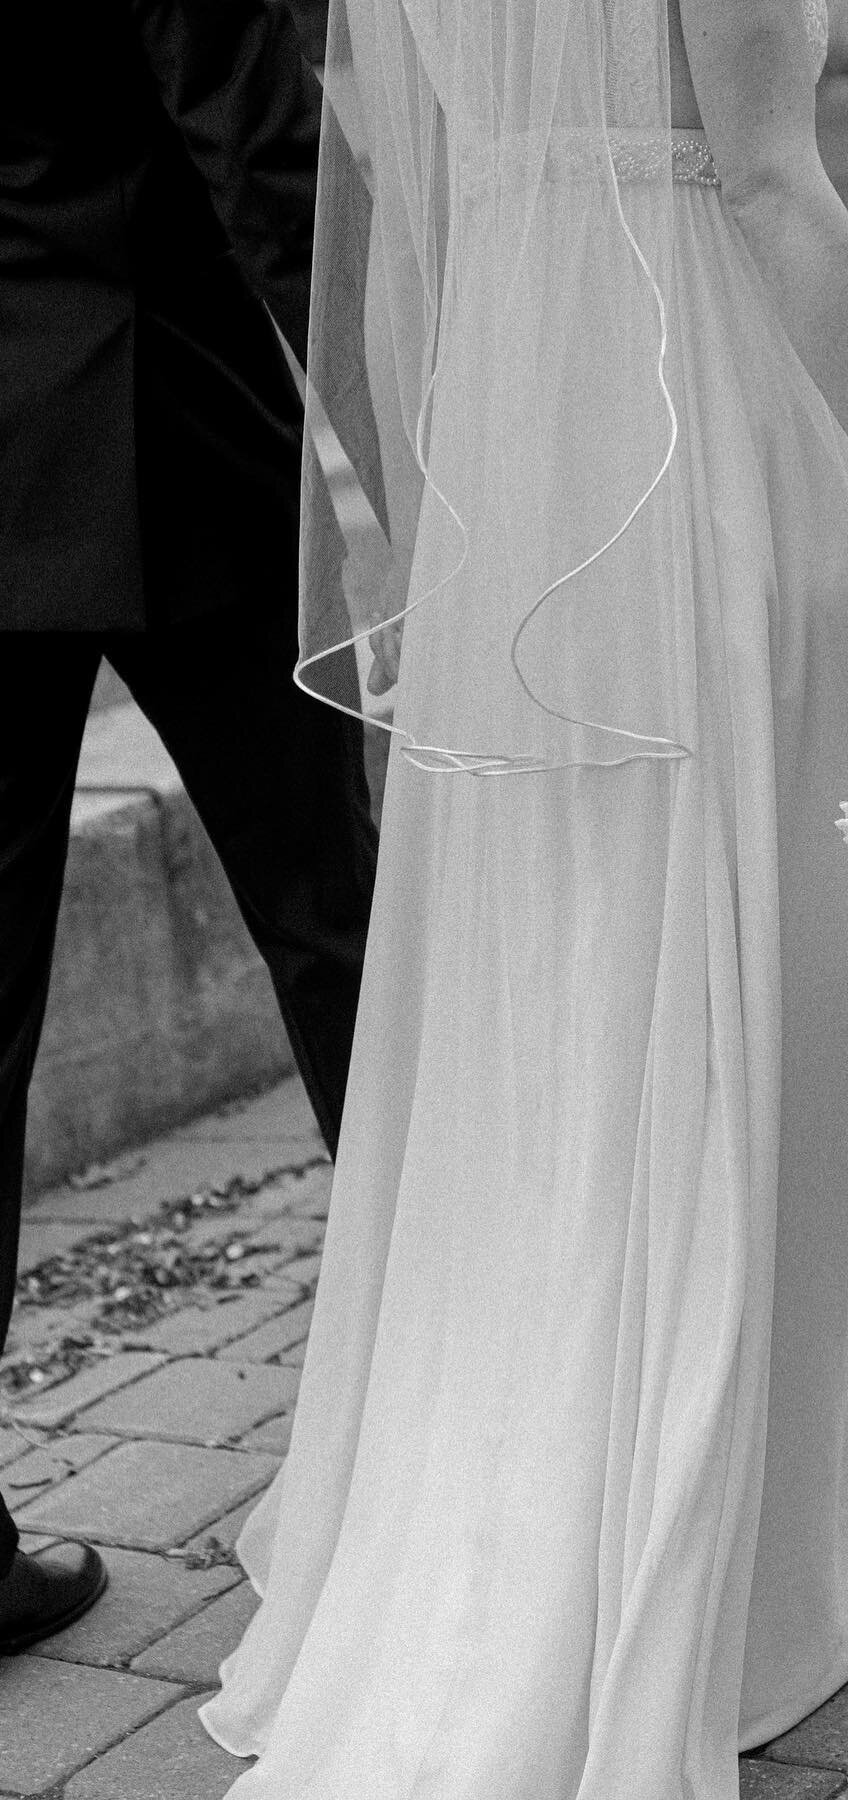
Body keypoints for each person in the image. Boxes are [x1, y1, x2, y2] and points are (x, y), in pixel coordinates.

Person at [200, 0, 848, 1791]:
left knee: (557, 991)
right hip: (713, 448)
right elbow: (766, 178)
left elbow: (394, 241)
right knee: (774, 961)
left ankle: (513, 1482)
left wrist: (455, 525)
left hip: (521, 460)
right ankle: (739, 1553)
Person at [0, 0, 377, 1651]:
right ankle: (469, 1444)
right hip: (174, 446)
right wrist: (431, 464)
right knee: (340, 935)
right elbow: (265, 157)